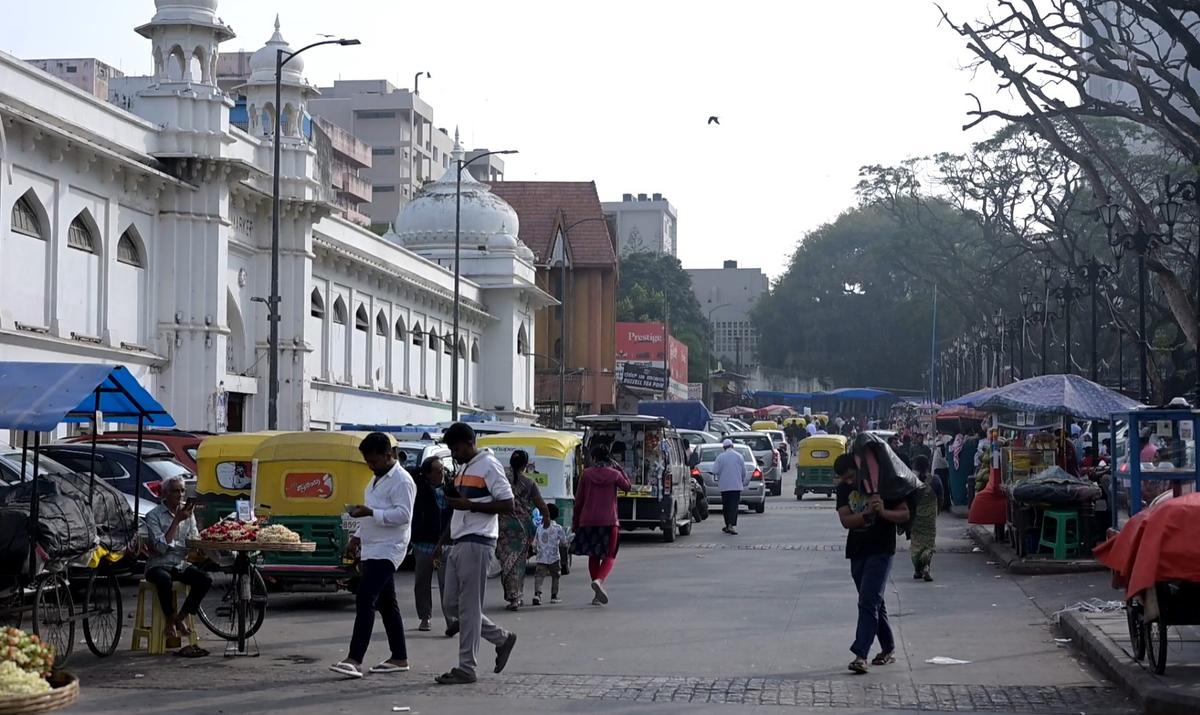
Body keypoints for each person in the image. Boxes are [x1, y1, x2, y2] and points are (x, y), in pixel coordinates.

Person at [436, 422, 518, 686]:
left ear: (470, 443)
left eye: (456, 448)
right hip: (459, 540)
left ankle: (466, 667)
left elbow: (508, 504)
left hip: (478, 540)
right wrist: (443, 541)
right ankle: (501, 638)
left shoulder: (489, 465)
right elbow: (459, 509)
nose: (454, 453)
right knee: (452, 605)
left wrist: (470, 505)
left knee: (468, 608)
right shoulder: (464, 468)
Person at [330, 432, 417, 679]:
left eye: (374, 461)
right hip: (372, 546)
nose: (370, 466)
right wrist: (356, 537)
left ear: (388, 455)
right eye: (367, 461)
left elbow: (404, 515)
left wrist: (371, 512)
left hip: (389, 548)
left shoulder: (402, 481)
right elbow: (372, 512)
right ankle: (399, 657)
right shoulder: (375, 479)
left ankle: (354, 658)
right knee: (387, 604)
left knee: (365, 597)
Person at [835, 452, 910, 675]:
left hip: (881, 550)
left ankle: (861, 655)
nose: (849, 481)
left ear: (860, 468)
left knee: (868, 600)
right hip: (857, 551)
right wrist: (867, 515)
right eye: (845, 479)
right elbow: (845, 520)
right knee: (874, 601)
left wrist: (883, 511)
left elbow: (904, 514)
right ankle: (888, 648)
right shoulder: (844, 489)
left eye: (851, 476)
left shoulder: (883, 485)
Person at [143, 475, 212, 641]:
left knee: (205, 579)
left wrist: (200, 547)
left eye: (182, 491)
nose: (180, 495)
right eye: (175, 491)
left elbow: (193, 537)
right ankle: (170, 619)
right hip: (158, 564)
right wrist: (176, 521)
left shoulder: (188, 512)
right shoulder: (154, 515)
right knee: (164, 579)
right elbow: (160, 548)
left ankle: (180, 618)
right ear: (165, 493)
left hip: (179, 563)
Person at [572, 443, 632, 606]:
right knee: (610, 555)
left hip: (588, 520)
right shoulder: (614, 474)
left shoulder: (586, 474)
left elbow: (579, 501)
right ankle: (599, 580)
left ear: (594, 457)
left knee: (594, 555)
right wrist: (620, 469)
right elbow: (628, 487)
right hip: (609, 521)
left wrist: (575, 522)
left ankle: (597, 594)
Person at [496, 450, 550, 612]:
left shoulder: (502, 480)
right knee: (518, 563)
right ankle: (516, 596)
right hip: (522, 527)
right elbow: (541, 504)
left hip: (503, 526)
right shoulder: (529, 483)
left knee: (506, 562)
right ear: (525, 465)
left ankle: (512, 595)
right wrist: (547, 518)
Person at [412, 455, 453, 633]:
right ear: (427, 474)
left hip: (445, 543)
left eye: (442, 469)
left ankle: (451, 619)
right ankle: (425, 616)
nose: (441, 473)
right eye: (437, 471)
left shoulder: (450, 488)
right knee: (422, 582)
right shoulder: (419, 488)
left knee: (447, 584)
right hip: (423, 543)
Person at [909, 455, 941, 582]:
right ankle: (927, 566)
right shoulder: (935, 480)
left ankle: (917, 570)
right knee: (929, 543)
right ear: (928, 466)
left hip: (916, 518)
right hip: (930, 518)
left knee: (916, 544)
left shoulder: (911, 481)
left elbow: (907, 500)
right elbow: (941, 497)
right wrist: (937, 511)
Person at [532, 503, 570, 606]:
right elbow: (563, 542)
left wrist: (535, 549)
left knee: (539, 576)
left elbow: (534, 543)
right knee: (556, 576)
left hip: (541, 558)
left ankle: (537, 595)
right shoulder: (558, 528)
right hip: (554, 557)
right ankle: (554, 596)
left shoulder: (539, 528)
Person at [712, 438, 749, 535]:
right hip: (736, 486)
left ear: (724, 447)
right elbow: (744, 472)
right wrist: (741, 480)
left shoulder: (720, 457)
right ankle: (730, 525)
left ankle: (728, 524)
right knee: (734, 506)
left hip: (724, 486)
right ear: (732, 446)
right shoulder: (739, 456)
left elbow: (714, 470)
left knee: (726, 506)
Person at [931, 438, 951, 512]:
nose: (941, 448)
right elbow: (939, 464)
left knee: (945, 488)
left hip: (944, 471)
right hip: (938, 471)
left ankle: (946, 505)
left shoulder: (942, 452)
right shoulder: (937, 453)